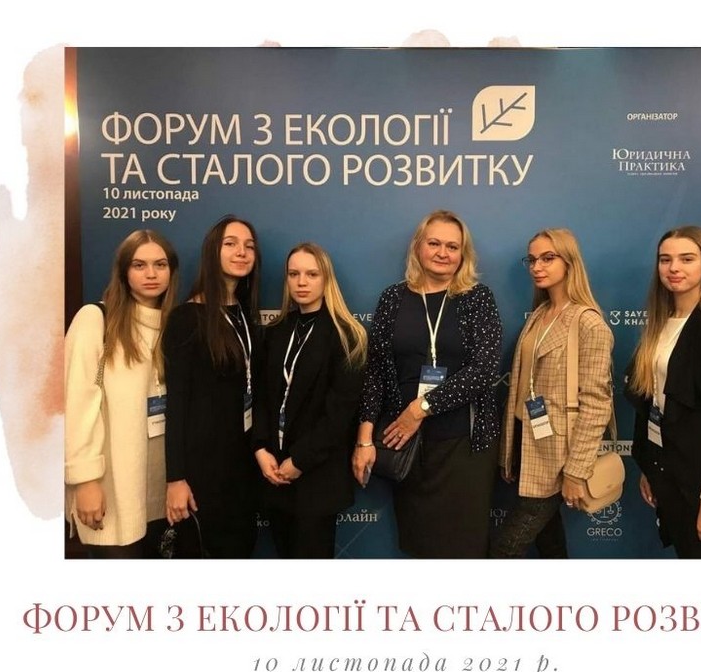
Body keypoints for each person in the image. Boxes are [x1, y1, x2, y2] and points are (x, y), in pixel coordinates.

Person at [352, 209, 502, 558]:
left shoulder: (478, 298)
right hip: (406, 445)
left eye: (452, 246)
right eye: (434, 243)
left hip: (465, 447)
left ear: (463, 254)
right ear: (418, 246)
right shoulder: (393, 298)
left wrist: (420, 408)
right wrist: (364, 439)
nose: (442, 253)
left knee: (464, 550)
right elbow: (375, 372)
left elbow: (483, 369)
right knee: (420, 547)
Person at [624, 225, 701, 558]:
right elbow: (652, 402)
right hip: (671, 478)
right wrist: (651, 469)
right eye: (665, 259)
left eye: (686, 259)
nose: (674, 268)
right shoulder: (660, 325)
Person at [492, 229, 614, 558]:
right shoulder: (540, 315)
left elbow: (596, 405)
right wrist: (510, 451)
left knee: (504, 549)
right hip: (527, 442)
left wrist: (576, 471)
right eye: (532, 260)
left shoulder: (588, 323)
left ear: (569, 262)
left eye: (548, 258)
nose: (537, 267)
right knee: (550, 542)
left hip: (559, 455)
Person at [64, 229, 179, 558]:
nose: (151, 274)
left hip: (160, 490)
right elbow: (76, 405)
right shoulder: (96, 319)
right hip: (110, 489)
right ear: (124, 271)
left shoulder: (174, 325)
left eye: (160, 265)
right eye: (139, 265)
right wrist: (85, 480)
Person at [253, 243, 367, 558]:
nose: (301, 282)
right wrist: (260, 448)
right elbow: (261, 397)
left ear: (325, 279)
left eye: (312, 274)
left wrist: (300, 461)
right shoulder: (276, 332)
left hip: (317, 477)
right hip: (274, 473)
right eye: (294, 274)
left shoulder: (347, 335)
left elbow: (339, 414)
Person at [163, 215, 262, 558]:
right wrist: (176, 479)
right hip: (202, 472)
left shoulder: (245, 315)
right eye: (230, 244)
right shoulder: (186, 319)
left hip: (243, 466)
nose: (241, 252)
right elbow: (176, 404)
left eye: (249, 246)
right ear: (212, 252)